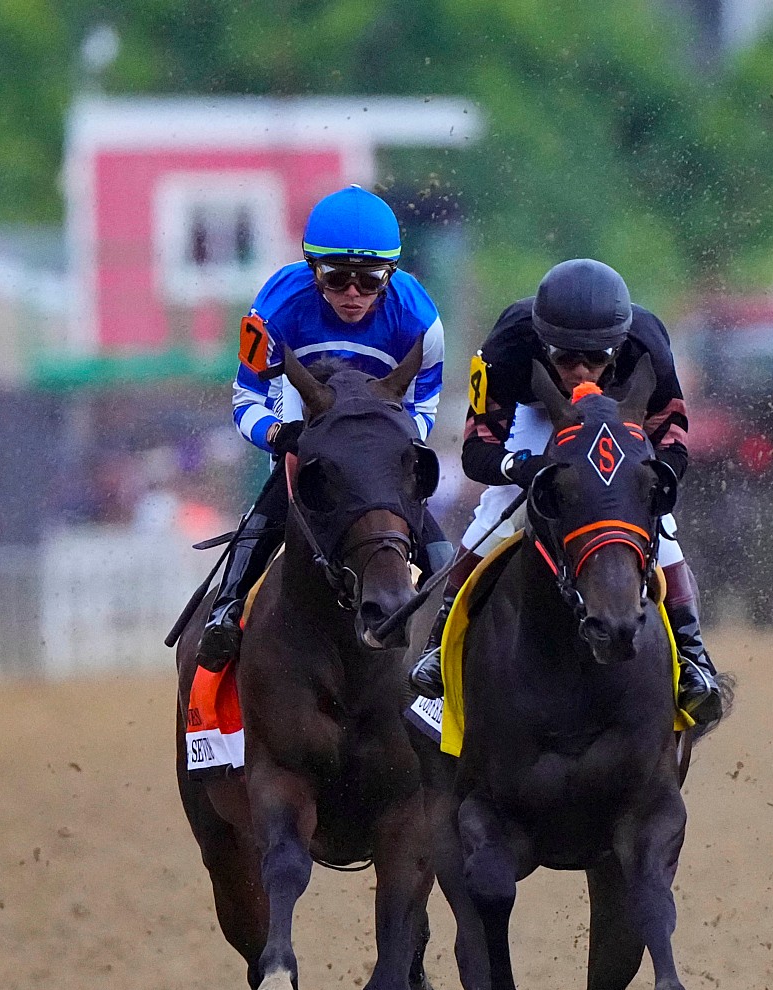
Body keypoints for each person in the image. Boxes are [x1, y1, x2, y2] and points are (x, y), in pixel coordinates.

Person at [409, 258, 725, 727]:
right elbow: (477, 451)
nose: (580, 372)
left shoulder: (647, 344)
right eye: (564, 357)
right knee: (495, 514)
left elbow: (673, 439)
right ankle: (438, 647)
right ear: (541, 343)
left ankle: (694, 658)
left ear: (618, 348)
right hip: (538, 416)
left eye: (596, 359)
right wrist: (525, 468)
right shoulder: (508, 345)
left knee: (663, 527)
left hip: (618, 420)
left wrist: (645, 482)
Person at [197, 186, 447, 668]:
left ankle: (442, 639)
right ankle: (227, 607)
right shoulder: (272, 311)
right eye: (336, 278)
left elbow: (424, 405)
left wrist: (389, 448)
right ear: (313, 270)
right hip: (303, 408)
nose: (352, 294)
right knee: (284, 489)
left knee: (438, 547)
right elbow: (247, 399)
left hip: (380, 426)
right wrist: (280, 436)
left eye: (369, 281)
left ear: (390, 276)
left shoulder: (421, 322)